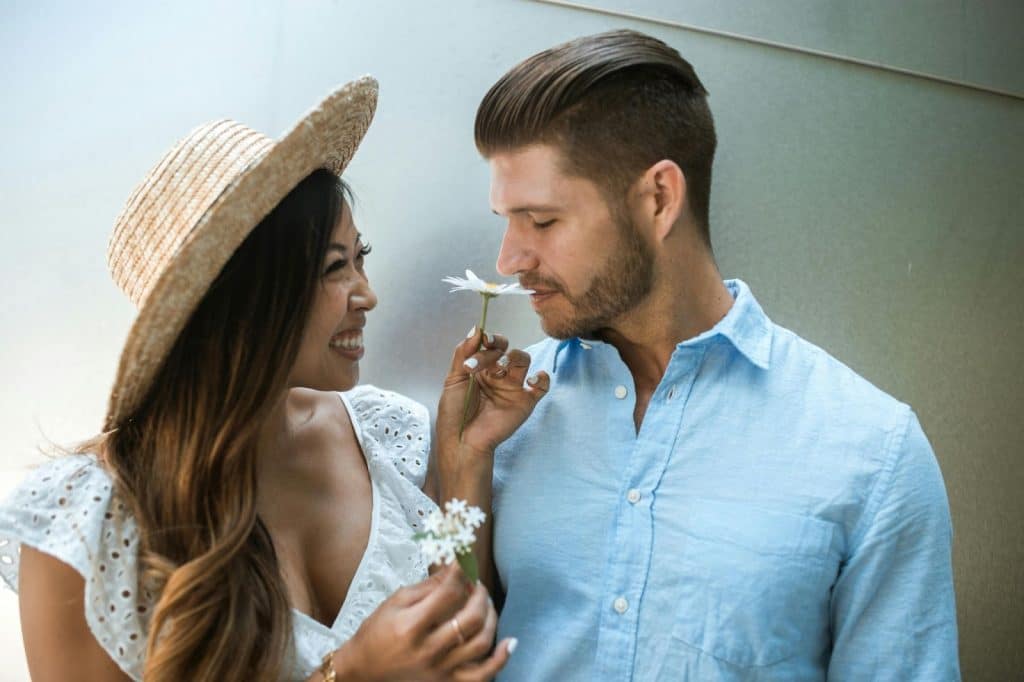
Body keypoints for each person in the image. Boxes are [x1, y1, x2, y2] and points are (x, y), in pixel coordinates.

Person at [441, 30, 961, 680]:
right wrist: (462, 466)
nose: (508, 260)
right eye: (505, 219)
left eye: (542, 221)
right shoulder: (505, 414)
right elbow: (443, 651)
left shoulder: (873, 453)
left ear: (659, 198)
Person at [0, 77, 542, 681]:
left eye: (359, 258)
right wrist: (347, 676)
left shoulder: (388, 435)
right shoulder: (84, 521)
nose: (367, 294)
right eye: (333, 268)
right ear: (244, 302)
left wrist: (466, 461)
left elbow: (463, 643)